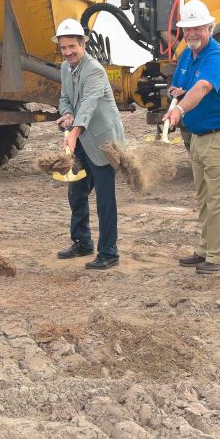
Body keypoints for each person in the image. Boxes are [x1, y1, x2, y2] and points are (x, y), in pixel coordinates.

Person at [162, 0, 220, 275]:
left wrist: (177, 111)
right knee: (205, 196)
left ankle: (219, 255)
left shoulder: (217, 57)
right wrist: (173, 95)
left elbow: (201, 88)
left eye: (197, 28)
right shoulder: (188, 54)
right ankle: (206, 248)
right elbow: (180, 86)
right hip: (200, 136)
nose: (192, 34)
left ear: (210, 28)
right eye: (187, 29)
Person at [53, 18, 126, 270]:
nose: (68, 52)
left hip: (104, 141)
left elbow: (89, 104)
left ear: (83, 43)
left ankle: (109, 252)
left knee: (105, 199)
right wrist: (67, 113)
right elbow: (66, 98)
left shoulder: (94, 70)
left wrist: (72, 132)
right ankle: (82, 241)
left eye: (72, 46)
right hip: (81, 136)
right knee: (76, 191)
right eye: (63, 48)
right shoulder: (65, 67)